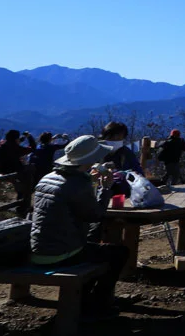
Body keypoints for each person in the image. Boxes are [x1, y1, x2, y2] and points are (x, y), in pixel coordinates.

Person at [30, 135, 129, 320]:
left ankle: (86, 299)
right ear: (90, 160)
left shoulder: (48, 177)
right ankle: (97, 305)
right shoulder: (78, 184)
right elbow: (95, 215)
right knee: (119, 253)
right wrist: (104, 187)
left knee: (94, 245)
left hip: (38, 249)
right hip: (62, 254)